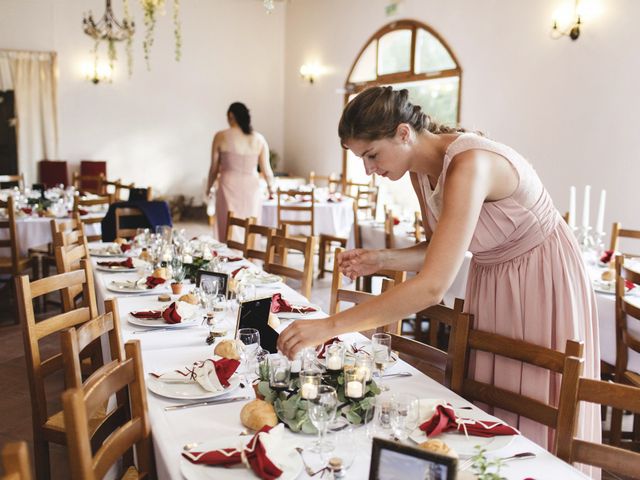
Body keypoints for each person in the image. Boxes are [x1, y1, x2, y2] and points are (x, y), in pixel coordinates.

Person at [277, 86, 600, 456]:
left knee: (537, 396)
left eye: (371, 155)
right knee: (494, 395)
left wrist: (329, 326)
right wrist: (382, 259)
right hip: (492, 276)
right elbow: (441, 247)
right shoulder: (419, 171)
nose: (368, 170)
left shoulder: (469, 164)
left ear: (403, 133)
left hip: (542, 277)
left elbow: (431, 287)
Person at [207, 102, 275, 240]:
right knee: (250, 224)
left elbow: (214, 168)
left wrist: (208, 188)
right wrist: (271, 188)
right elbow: (267, 170)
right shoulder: (259, 139)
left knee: (228, 226)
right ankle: (250, 256)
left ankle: (228, 258)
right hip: (252, 187)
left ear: (231, 116)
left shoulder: (221, 136)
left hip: (228, 186)